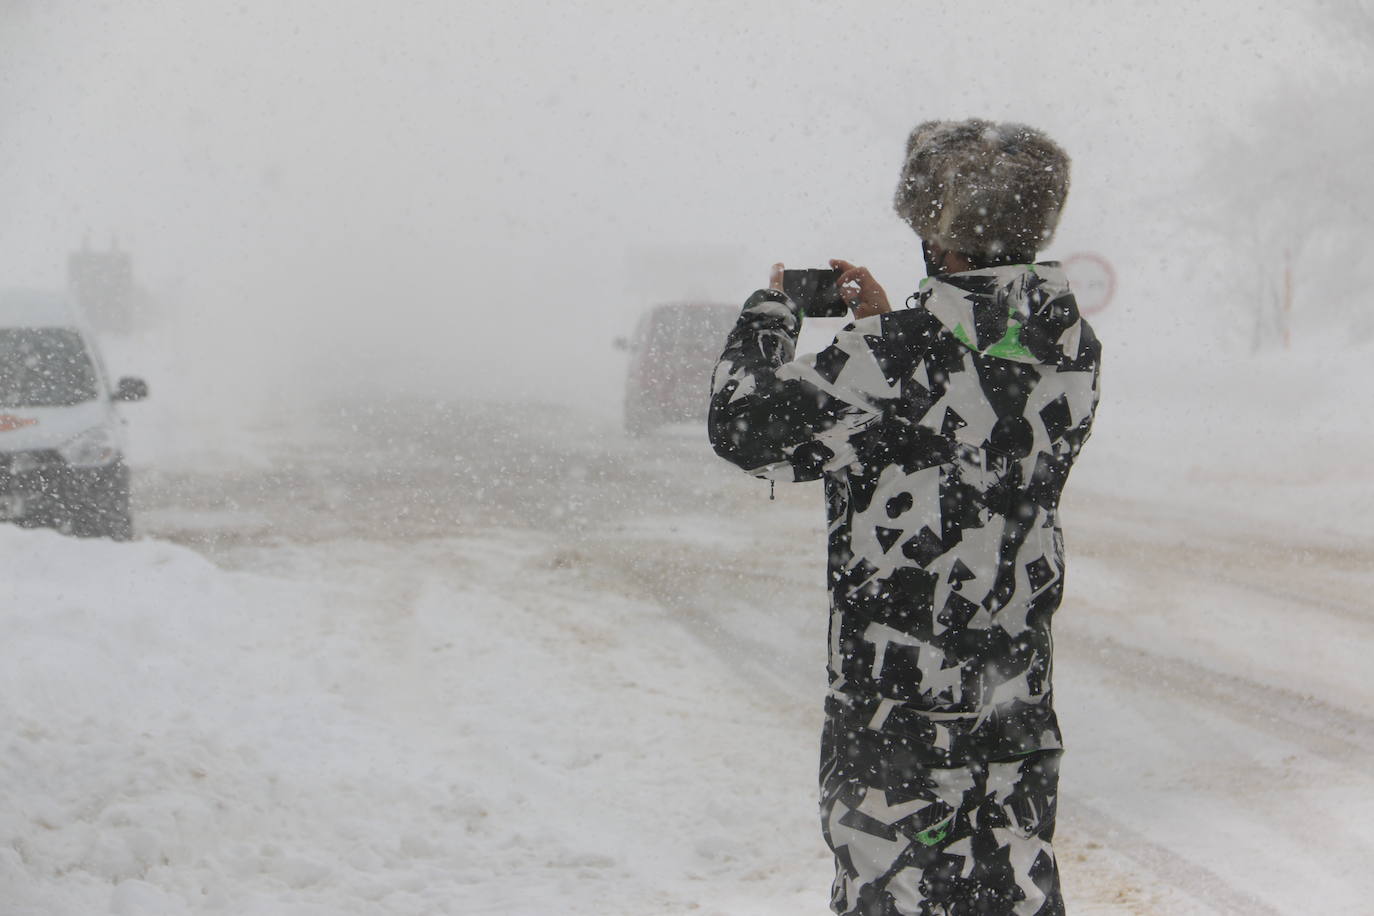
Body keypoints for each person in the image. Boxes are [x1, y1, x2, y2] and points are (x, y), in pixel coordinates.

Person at [708, 119, 1101, 915]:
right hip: (1013, 697)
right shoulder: (1071, 348)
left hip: (900, 709)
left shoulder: (892, 358)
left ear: (943, 239)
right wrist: (885, 328)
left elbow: (744, 428)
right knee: (1012, 889)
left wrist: (773, 311)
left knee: (893, 892)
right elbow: (962, 404)